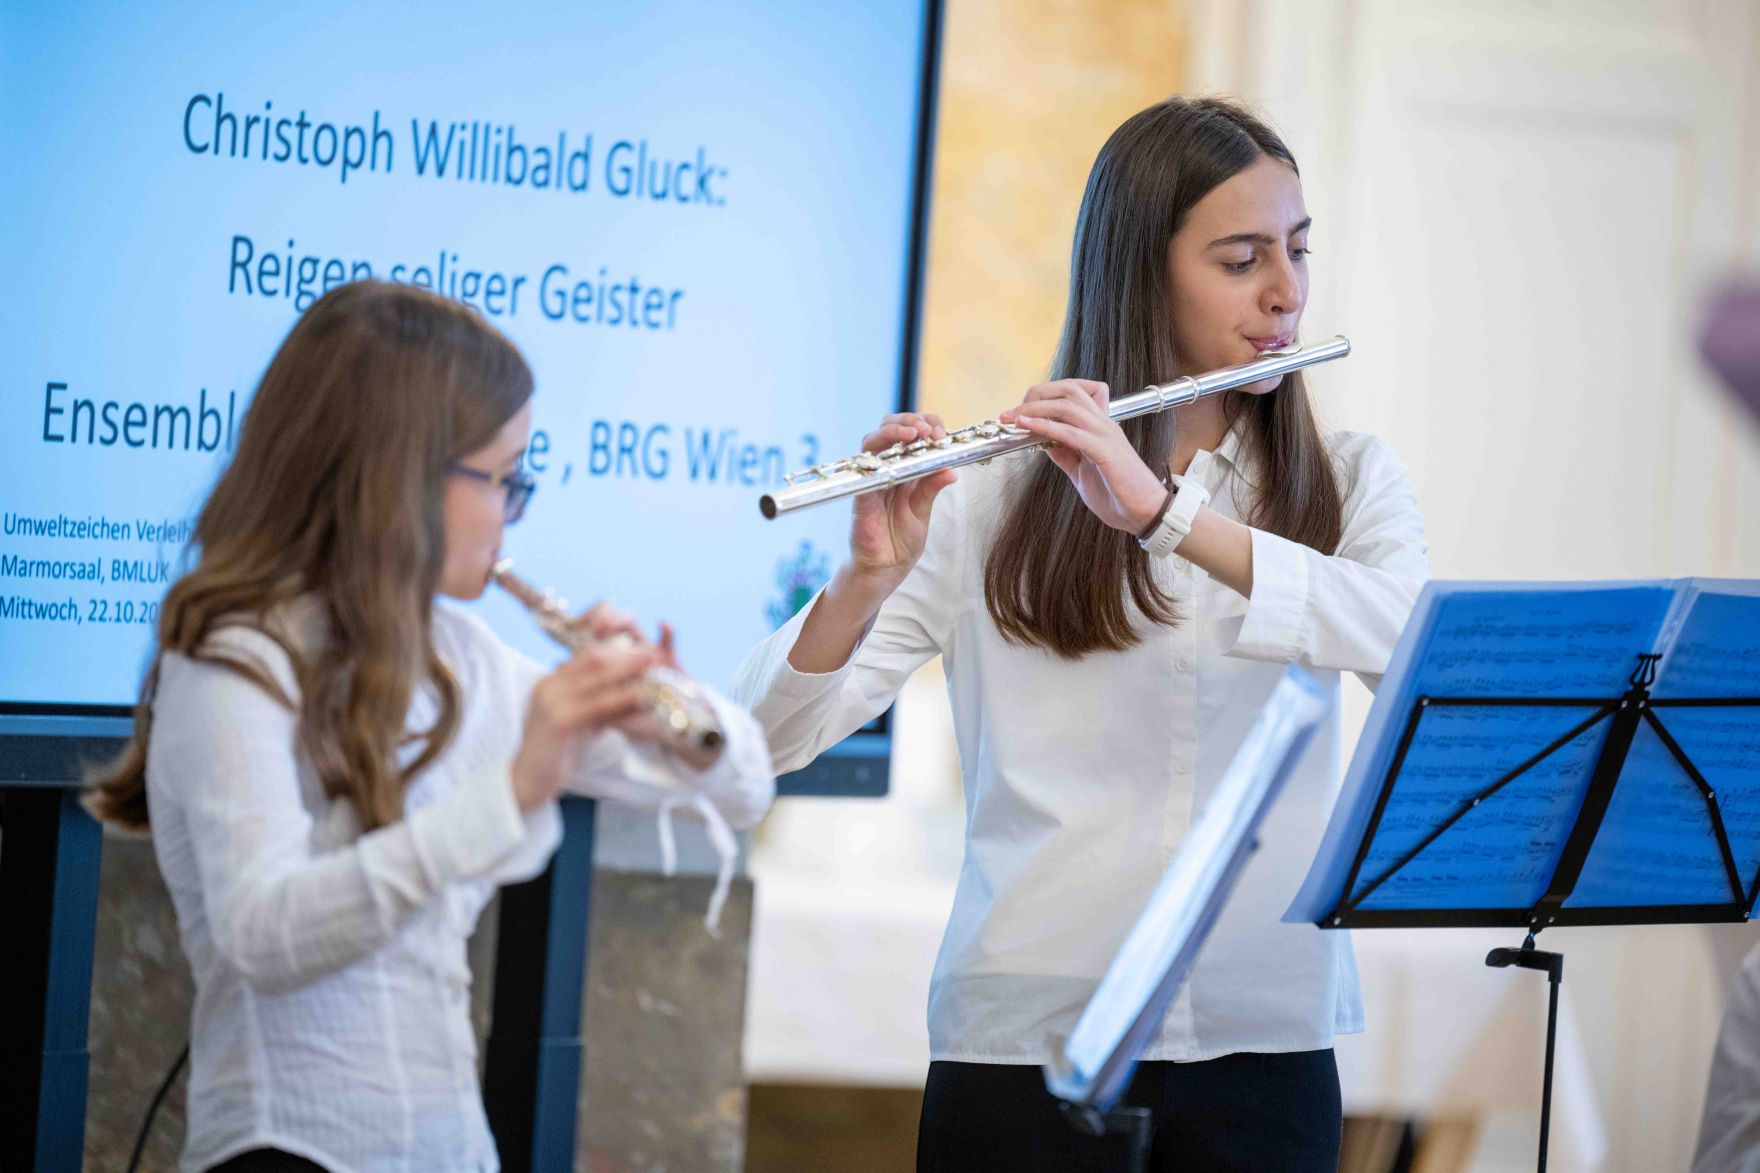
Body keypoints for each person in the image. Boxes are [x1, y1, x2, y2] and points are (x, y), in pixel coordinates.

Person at [734, 95, 1429, 1171]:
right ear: (1139, 274)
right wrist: (864, 579)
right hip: (1024, 1047)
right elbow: (759, 742)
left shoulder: (1350, 479)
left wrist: (1164, 516)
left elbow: (1405, 643)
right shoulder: (991, 498)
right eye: (1240, 260)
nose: (1285, 293)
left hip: (1264, 1037)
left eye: (1294, 250)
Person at [85, 281, 774, 1173]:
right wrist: (514, 789)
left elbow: (746, 785)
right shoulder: (235, 657)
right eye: (503, 479)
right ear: (403, 474)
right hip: (281, 1147)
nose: (513, 510)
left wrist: (667, 703)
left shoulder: (464, 654)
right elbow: (263, 934)